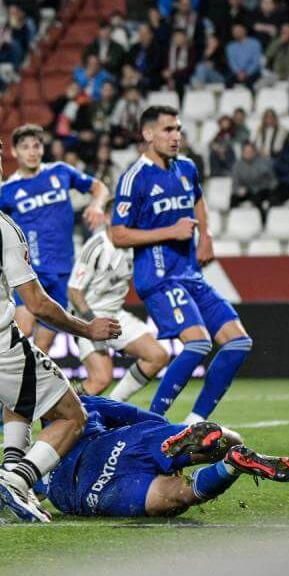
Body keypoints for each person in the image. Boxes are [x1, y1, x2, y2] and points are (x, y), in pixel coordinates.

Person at [0, 131, 120, 522]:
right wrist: (88, 329)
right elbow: (38, 304)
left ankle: (13, 477)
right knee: (72, 416)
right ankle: (18, 479)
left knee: (20, 390)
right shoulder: (0, 226)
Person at [0, 124, 109, 420]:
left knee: (42, 348)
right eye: (25, 147)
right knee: (20, 332)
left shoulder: (61, 173)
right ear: (14, 152)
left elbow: (98, 187)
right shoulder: (9, 190)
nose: (32, 151)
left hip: (63, 274)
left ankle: (8, 409)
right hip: (30, 275)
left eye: (36, 145)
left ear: (43, 148)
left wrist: (98, 205)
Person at [111, 105, 252, 424]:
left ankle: (193, 423)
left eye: (178, 129)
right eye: (168, 130)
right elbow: (118, 234)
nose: (176, 136)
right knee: (198, 343)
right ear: (148, 134)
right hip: (158, 278)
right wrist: (170, 232)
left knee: (238, 342)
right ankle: (152, 421)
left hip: (190, 274)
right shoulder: (134, 178)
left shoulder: (186, 168)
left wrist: (207, 236)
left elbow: (198, 200)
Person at [35, 395, 289, 518]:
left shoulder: (37, 451)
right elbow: (150, 419)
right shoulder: (86, 404)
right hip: (120, 444)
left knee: (176, 497)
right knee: (221, 441)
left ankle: (230, 467)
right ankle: (225, 445)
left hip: (92, 492)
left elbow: (22, 492)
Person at [67, 229, 170, 400]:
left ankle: (113, 408)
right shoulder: (97, 247)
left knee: (157, 356)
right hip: (86, 317)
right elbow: (74, 291)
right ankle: (56, 411)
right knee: (100, 380)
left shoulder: (134, 243)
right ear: (109, 219)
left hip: (115, 314)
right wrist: (93, 324)